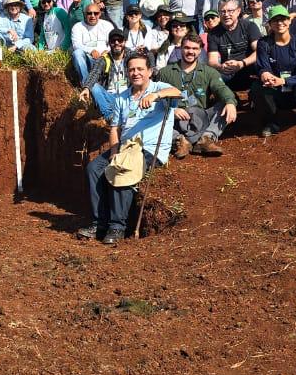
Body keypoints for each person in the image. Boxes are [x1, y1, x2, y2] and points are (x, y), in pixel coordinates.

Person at [80, 52, 181, 245]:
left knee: (122, 169)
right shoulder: (122, 97)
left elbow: (177, 93)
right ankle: (98, 223)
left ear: (150, 71)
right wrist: (113, 152)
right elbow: (115, 128)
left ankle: (117, 227)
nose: (136, 73)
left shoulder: (159, 88)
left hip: (149, 148)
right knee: (94, 169)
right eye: (132, 69)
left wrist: (156, 96)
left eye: (140, 69)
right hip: (125, 147)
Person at [156, 34, 237, 157]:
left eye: (194, 49)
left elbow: (221, 88)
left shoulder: (209, 72)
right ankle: (179, 141)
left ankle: (206, 139)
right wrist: (172, 110)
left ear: (200, 51)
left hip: (201, 118)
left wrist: (230, 102)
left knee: (224, 104)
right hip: (175, 120)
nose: (190, 52)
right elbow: (156, 97)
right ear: (180, 49)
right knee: (156, 112)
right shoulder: (165, 72)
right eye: (187, 48)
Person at [254, 5, 296, 136]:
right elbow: (263, 67)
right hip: (276, 91)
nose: (279, 23)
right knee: (257, 88)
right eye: (275, 20)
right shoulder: (264, 43)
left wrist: (283, 81)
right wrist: (264, 74)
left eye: (283, 19)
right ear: (270, 24)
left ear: (289, 21)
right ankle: (271, 122)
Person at [206, 0, 261, 91]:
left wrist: (242, 63)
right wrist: (220, 66)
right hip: (227, 71)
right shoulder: (213, 33)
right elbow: (212, 60)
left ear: (238, 11)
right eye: (222, 11)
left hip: (248, 68)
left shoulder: (249, 26)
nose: (226, 15)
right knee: (210, 78)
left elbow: (259, 51)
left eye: (230, 11)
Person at [78, 29, 130, 118]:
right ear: (109, 43)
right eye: (113, 41)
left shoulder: (131, 57)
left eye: (120, 40)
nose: (117, 43)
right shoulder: (104, 59)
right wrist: (86, 88)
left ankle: (122, 113)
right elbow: (94, 73)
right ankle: (109, 116)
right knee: (94, 86)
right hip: (110, 97)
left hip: (128, 97)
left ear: (124, 42)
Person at [70, 2, 114, 82]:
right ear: (85, 14)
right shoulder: (77, 27)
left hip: (105, 58)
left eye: (95, 13)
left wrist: (107, 51)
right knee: (77, 53)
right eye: (89, 13)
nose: (92, 16)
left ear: (100, 14)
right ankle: (86, 84)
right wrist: (91, 51)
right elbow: (76, 45)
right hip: (88, 59)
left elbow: (113, 42)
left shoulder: (107, 25)